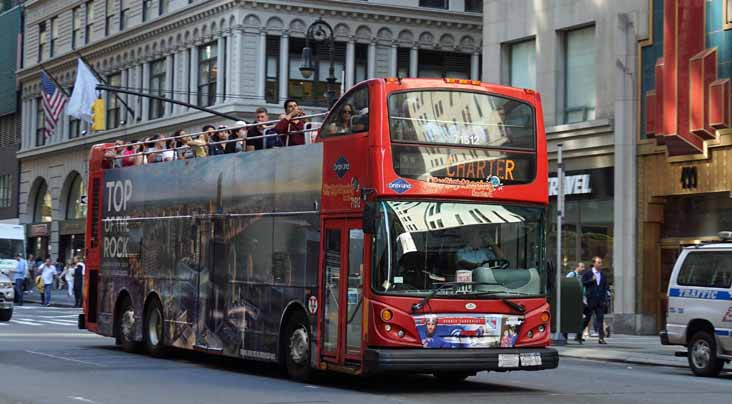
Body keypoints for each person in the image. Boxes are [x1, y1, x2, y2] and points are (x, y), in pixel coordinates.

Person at [580, 256, 610, 344]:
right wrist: (591, 281)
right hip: (590, 300)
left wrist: (605, 297)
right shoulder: (587, 273)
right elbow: (583, 283)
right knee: (587, 318)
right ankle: (579, 334)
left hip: (600, 301)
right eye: (599, 262)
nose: (600, 264)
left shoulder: (603, 274)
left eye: (601, 263)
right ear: (594, 263)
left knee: (600, 319)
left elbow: (605, 286)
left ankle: (601, 338)